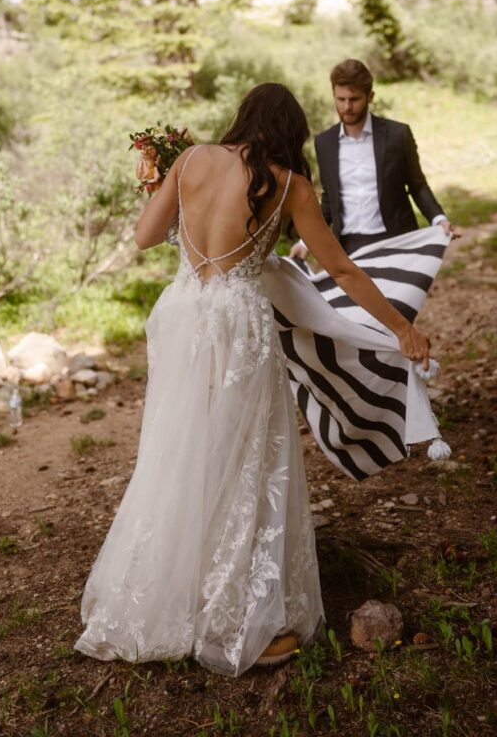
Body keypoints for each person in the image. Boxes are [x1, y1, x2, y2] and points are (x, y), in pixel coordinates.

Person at [74, 83, 432, 677]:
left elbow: (144, 237)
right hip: (239, 326)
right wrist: (400, 326)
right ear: (290, 133)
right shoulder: (290, 185)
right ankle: (236, 621)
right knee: (242, 464)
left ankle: (161, 600)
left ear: (242, 118)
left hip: (185, 316)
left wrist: (180, 201)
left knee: (178, 453)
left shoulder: (191, 160)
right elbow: (339, 266)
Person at [291, 59, 460, 260]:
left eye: (354, 99)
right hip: (348, 247)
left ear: (370, 97)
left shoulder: (398, 135)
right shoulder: (324, 143)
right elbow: (330, 199)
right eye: (341, 99)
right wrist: (305, 242)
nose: (347, 107)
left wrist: (439, 220)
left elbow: (417, 185)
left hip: (396, 241)